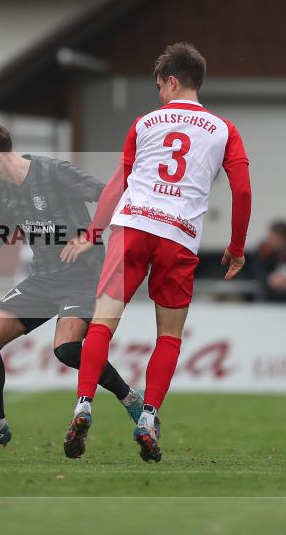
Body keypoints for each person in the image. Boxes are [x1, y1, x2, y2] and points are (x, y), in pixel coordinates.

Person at [61, 42, 252, 462]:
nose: (160, 95)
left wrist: (93, 232)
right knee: (168, 336)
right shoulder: (224, 130)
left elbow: (119, 183)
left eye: (160, 87)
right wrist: (236, 247)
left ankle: (83, 406)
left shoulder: (145, 123)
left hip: (131, 228)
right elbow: (241, 190)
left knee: (101, 325)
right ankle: (147, 418)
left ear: (171, 81)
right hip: (178, 237)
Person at [0, 121, 144, 451]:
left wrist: (91, 235)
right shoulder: (4, 186)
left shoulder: (54, 172)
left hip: (82, 276)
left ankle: (130, 398)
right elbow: (4, 224)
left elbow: (109, 194)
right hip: (43, 278)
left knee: (67, 350)